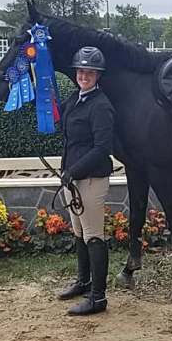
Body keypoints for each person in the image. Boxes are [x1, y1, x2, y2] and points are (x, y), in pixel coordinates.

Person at [56, 45, 116, 317]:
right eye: (81, 71)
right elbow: (58, 117)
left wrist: (74, 170)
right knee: (79, 233)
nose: (84, 76)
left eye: (89, 72)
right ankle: (83, 281)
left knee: (94, 236)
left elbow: (102, 148)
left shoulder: (101, 106)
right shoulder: (75, 98)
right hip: (72, 177)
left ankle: (98, 298)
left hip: (91, 178)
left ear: (97, 75)